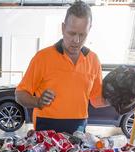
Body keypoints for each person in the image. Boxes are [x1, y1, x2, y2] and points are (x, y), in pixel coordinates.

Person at [15, 0, 103, 134]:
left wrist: (126, 100)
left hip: (78, 125)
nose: (76, 40)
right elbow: (19, 94)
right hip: (46, 123)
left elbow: (97, 100)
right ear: (63, 28)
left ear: (89, 29)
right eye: (72, 33)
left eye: (82, 34)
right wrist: (37, 101)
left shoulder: (93, 60)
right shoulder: (42, 57)